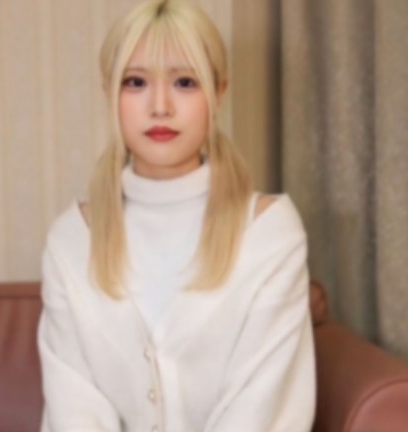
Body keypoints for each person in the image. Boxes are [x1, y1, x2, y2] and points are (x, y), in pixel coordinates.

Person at [37, 0, 315, 431]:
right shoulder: (71, 242)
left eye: (185, 82)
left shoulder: (269, 234)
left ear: (218, 92)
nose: (160, 106)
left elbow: (261, 407)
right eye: (135, 82)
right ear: (109, 92)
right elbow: (74, 406)